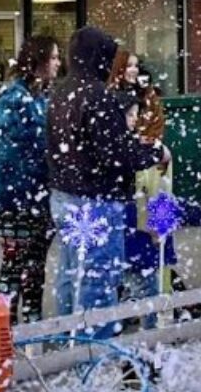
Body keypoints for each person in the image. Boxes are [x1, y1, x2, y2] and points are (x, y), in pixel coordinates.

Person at [47, 27, 165, 339]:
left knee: (71, 272)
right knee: (98, 278)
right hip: (96, 199)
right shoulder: (97, 96)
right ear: (99, 58)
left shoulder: (61, 91)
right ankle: (93, 347)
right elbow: (117, 154)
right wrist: (154, 151)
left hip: (64, 193)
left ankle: (67, 339)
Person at [0, 36, 61, 324]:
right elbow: (12, 153)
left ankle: (32, 320)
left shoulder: (41, 96)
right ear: (38, 61)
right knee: (16, 261)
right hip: (13, 197)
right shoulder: (15, 98)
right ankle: (4, 325)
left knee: (35, 262)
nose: (57, 63)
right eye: (52, 57)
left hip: (37, 195)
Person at [125, 80, 175, 329]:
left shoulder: (151, 148)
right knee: (143, 270)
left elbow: (159, 191)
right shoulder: (140, 148)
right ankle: (145, 313)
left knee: (146, 270)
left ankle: (151, 313)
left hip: (143, 225)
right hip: (140, 224)